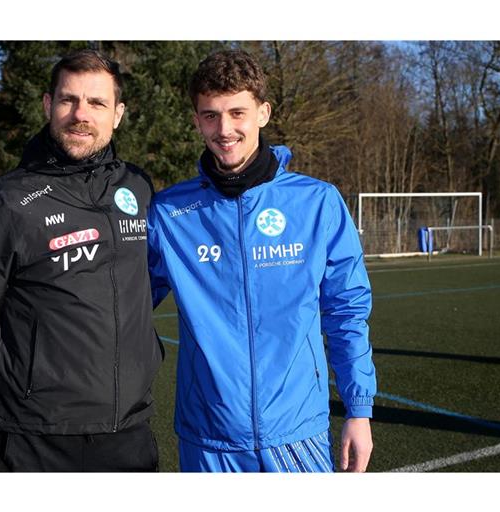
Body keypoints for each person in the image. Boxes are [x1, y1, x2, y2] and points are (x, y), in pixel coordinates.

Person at [147, 50, 376, 472]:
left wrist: (358, 409)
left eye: (238, 112)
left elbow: (347, 310)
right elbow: (121, 303)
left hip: (297, 433)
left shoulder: (317, 202)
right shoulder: (169, 213)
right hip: (208, 438)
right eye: (210, 115)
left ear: (263, 113)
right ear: (196, 120)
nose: (225, 129)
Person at [0, 49, 162, 472]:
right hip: (36, 439)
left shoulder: (138, 187)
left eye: (97, 103)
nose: (81, 114)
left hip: (130, 434)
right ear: (47, 105)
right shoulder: (4, 202)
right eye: (68, 100)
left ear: (118, 114)